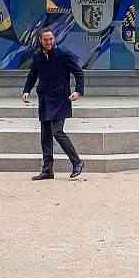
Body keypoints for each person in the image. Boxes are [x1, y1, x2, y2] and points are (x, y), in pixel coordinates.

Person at [22, 27, 85, 180]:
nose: (49, 42)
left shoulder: (64, 54)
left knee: (57, 131)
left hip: (61, 99)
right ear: (40, 40)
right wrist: (27, 90)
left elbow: (78, 72)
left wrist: (78, 91)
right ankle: (47, 170)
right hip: (44, 99)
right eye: (46, 40)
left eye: (51, 39)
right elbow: (32, 74)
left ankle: (77, 162)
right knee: (45, 135)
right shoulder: (37, 56)